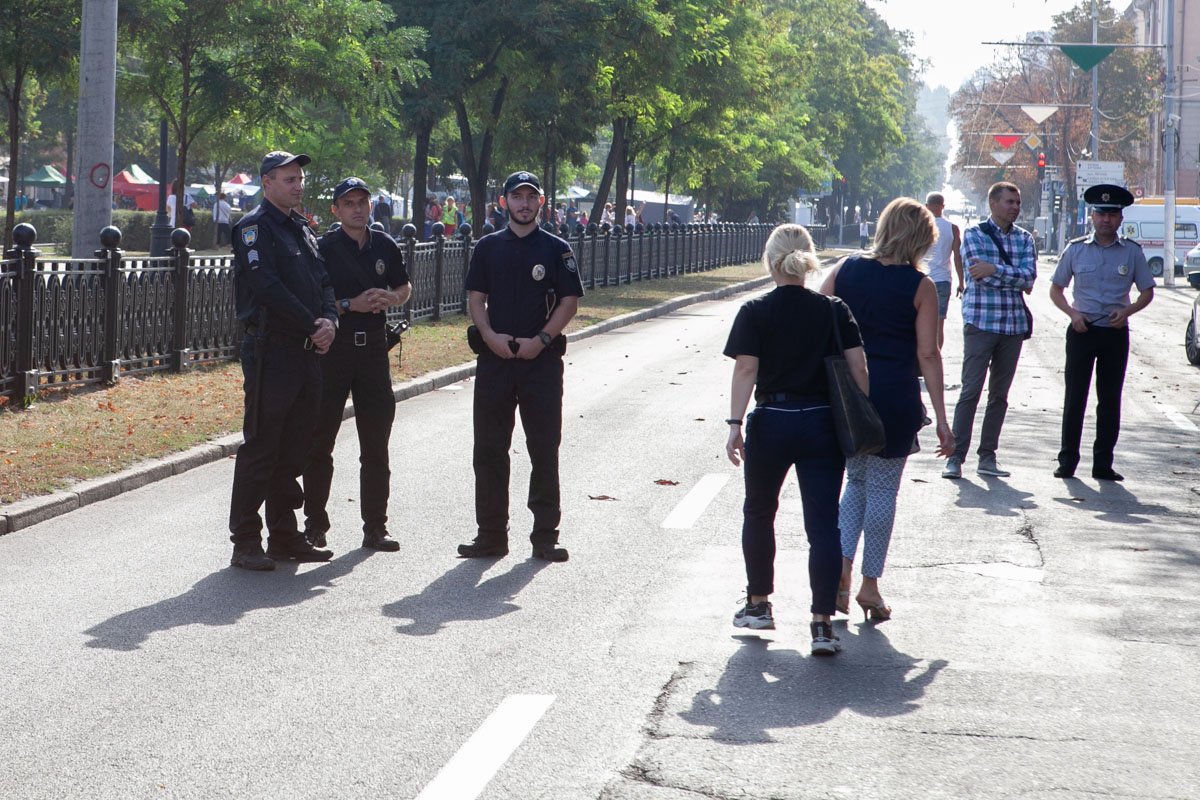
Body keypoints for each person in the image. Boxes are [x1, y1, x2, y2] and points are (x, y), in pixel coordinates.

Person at [724, 223, 867, 656]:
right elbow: (859, 368)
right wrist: (861, 411)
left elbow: (746, 370)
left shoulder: (754, 310)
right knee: (823, 526)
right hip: (821, 422)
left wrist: (734, 423)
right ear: (808, 260)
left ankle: (758, 605)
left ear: (770, 262)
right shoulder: (833, 309)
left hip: (772, 421)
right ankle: (822, 624)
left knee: (760, 511)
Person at [820, 198, 955, 621]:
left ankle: (840, 576)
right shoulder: (921, 286)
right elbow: (928, 355)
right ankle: (870, 585)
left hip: (846, 396)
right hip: (894, 396)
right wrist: (943, 420)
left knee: (854, 483)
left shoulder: (844, 269)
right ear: (920, 240)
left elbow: (817, 319)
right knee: (882, 491)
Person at [458, 171, 583, 563]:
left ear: (541, 203)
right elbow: (476, 297)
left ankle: (545, 536)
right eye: (517, 197)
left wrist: (541, 340)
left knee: (544, 448)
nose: (524, 204)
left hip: (540, 363)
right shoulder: (488, 247)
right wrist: (490, 336)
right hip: (495, 361)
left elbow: (569, 302)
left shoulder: (557, 249)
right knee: (490, 450)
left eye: (531, 197)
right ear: (504, 202)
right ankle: (491, 535)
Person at [227, 151, 337, 571]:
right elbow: (267, 287)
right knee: (262, 445)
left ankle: (284, 536)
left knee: (297, 446)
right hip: (272, 350)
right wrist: (313, 323)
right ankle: (245, 540)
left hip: (307, 351)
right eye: (289, 179)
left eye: (299, 179)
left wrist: (330, 320)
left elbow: (324, 280)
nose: (298, 185)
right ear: (267, 182)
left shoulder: (301, 228)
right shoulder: (255, 228)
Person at [302, 177, 412, 551]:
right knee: (319, 441)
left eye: (362, 202)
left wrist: (390, 297)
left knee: (376, 443)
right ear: (336, 209)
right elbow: (312, 300)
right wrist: (350, 305)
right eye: (348, 203)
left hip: (374, 353)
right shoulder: (324, 248)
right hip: (335, 351)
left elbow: (404, 286)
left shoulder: (385, 244)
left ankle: (375, 527)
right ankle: (315, 524)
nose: (357, 209)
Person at [1049, 184, 1154, 481]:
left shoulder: (1132, 253)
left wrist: (1128, 311)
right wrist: (1072, 314)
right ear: (1091, 216)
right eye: (1100, 214)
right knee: (1075, 397)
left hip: (1114, 332)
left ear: (1121, 219)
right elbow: (1056, 289)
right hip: (1082, 330)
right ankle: (1067, 461)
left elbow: (1147, 292)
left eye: (1112, 214)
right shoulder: (1076, 249)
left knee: (1109, 399)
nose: (1106, 220)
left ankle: (1103, 463)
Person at [943, 181, 1037, 479]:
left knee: (999, 395)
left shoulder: (1025, 239)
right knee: (970, 391)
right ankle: (955, 457)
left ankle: (988, 457)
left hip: (1012, 327)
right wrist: (1010, 276)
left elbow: (1029, 277)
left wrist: (994, 269)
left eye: (1017, 202)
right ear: (993, 204)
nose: (1015, 207)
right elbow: (976, 273)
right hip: (981, 324)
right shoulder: (973, 235)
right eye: (1010, 201)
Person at [923, 192, 964, 349]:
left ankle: (920, 360)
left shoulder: (919, 226)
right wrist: (961, 282)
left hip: (921, 279)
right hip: (943, 280)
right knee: (939, 325)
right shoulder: (953, 229)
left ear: (926, 206)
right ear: (943, 207)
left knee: (918, 321)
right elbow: (957, 258)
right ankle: (936, 357)